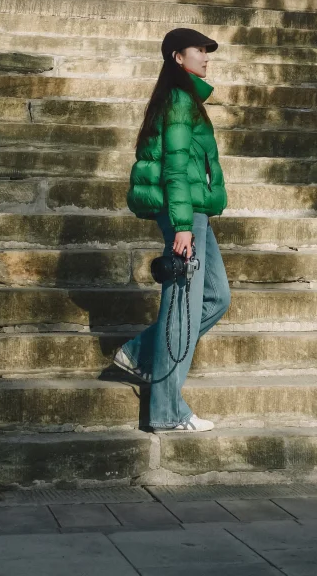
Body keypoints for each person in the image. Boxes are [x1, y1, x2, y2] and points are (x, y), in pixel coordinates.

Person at [111, 26, 230, 432]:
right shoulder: (180, 100)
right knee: (181, 307)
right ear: (177, 57)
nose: (206, 56)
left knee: (216, 297)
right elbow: (176, 169)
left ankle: (141, 353)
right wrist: (182, 228)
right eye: (199, 50)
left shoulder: (185, 99)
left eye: (206, 50)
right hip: (186, 216)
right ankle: (167, 412)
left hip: (196, 213)